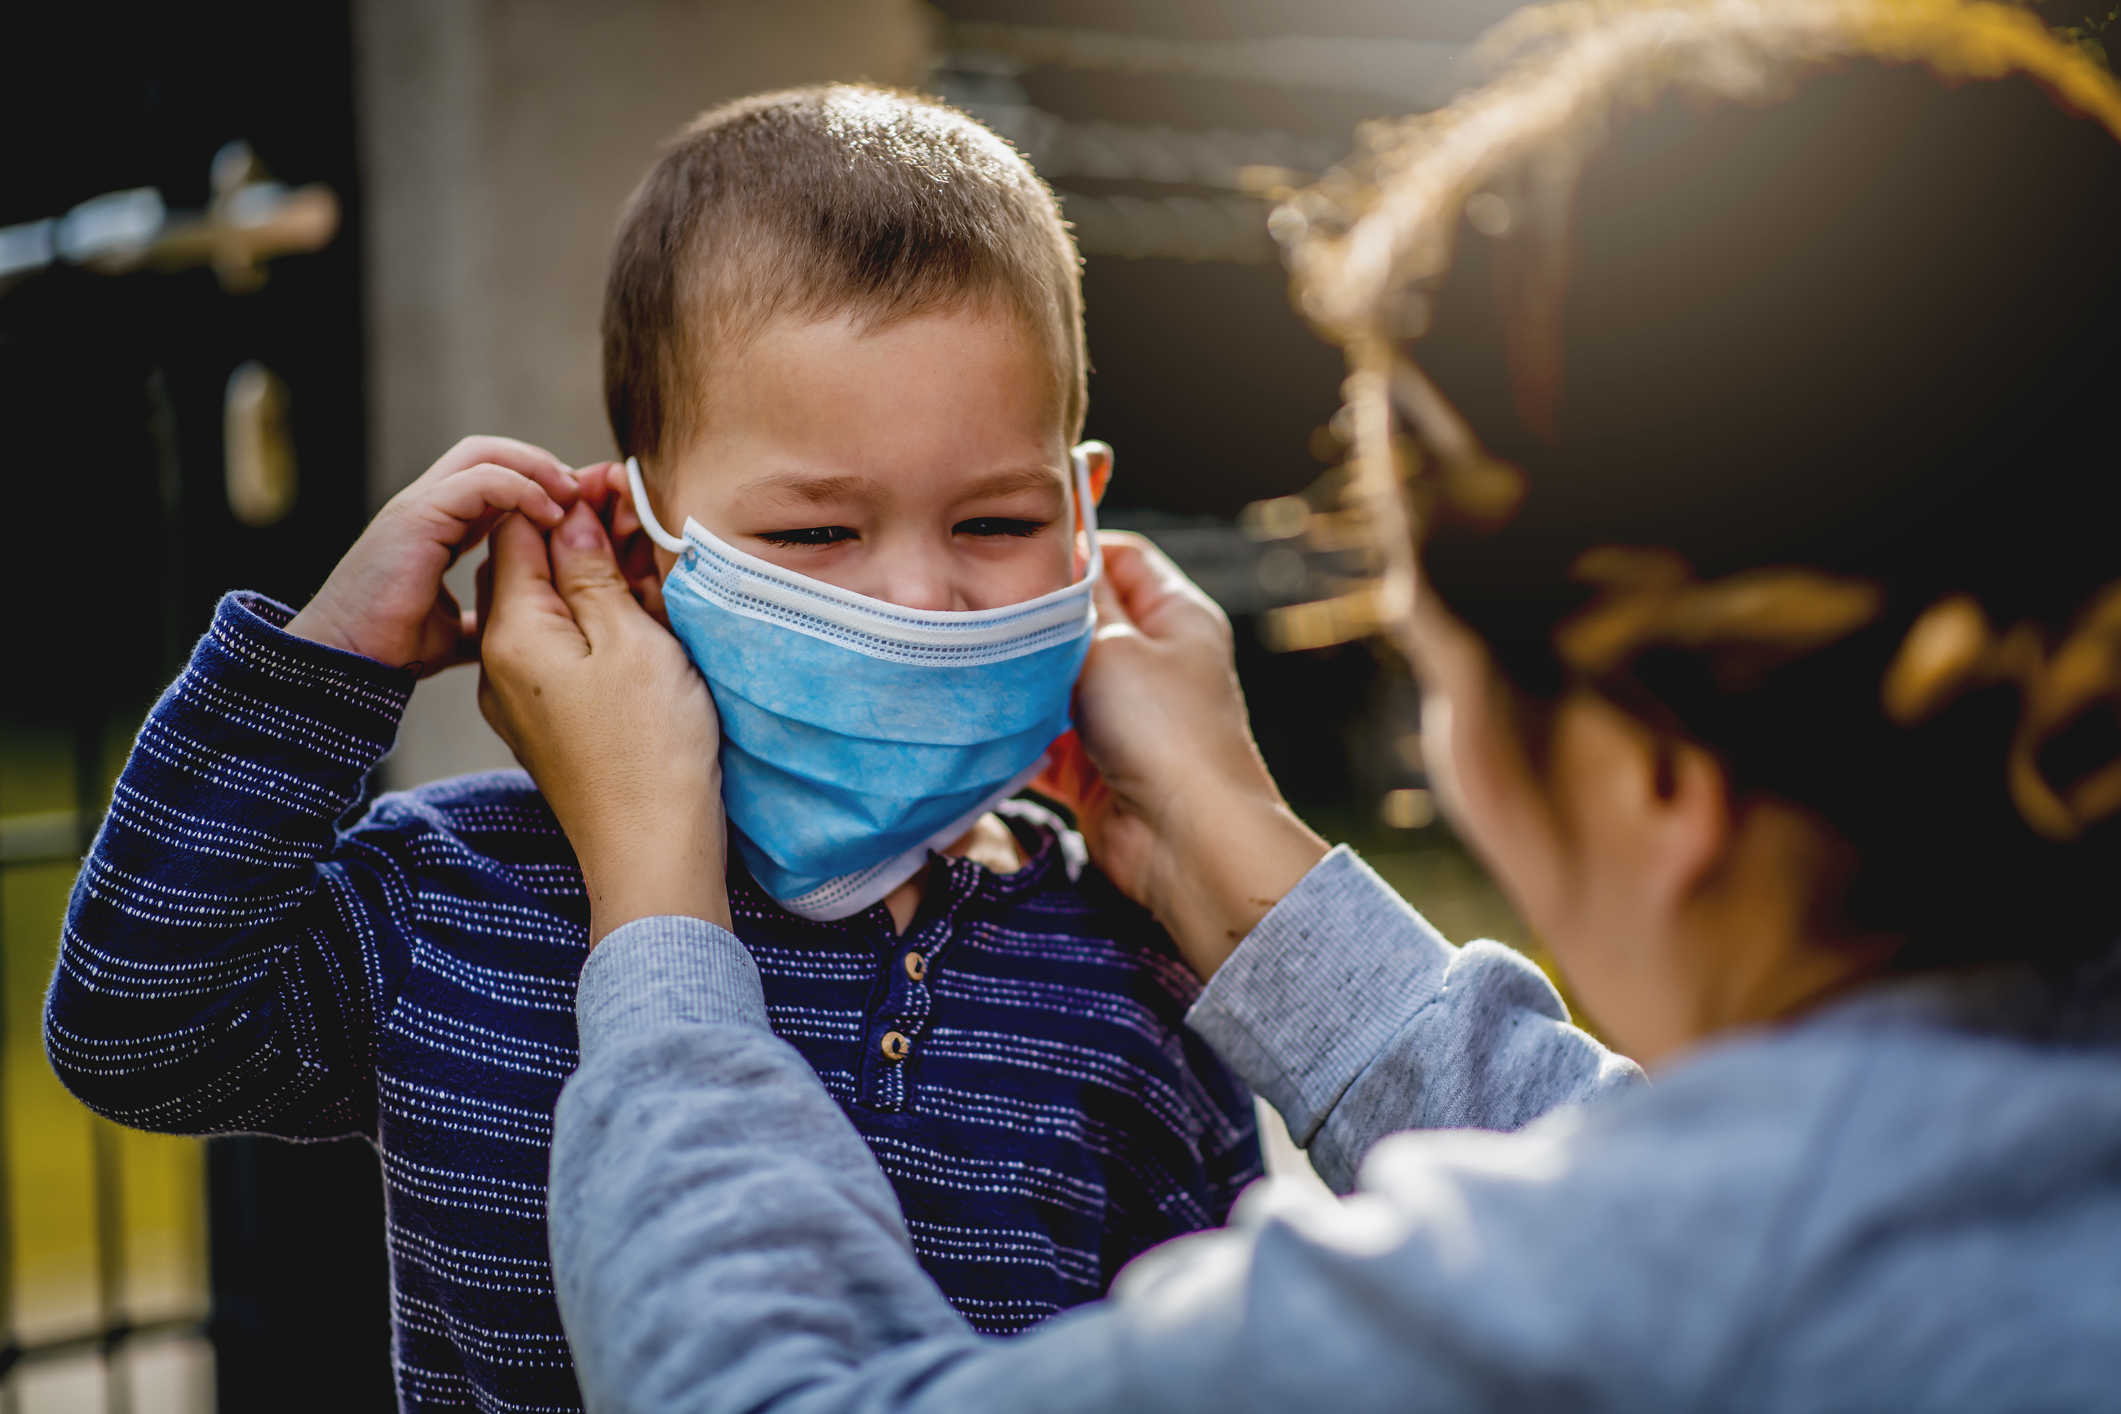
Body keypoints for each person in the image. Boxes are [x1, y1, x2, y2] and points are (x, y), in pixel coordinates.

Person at [481, 1, 2121, 1409]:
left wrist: (657, 921)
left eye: (1433, 684)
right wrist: (1234, 856)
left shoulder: (1669, 1298)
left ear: (1658, 780)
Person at [45, 87, 1272, 1411]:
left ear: (1082, 513)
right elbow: (141, 1023)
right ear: (632, 545)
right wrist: (329, 661)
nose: (920, 597)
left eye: (995, 523)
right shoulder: (458, 893)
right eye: (815, 533)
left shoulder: (1140, 973)